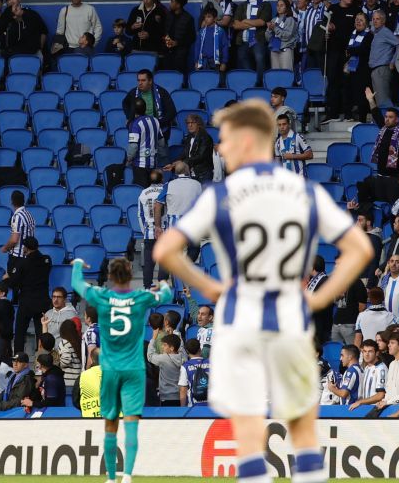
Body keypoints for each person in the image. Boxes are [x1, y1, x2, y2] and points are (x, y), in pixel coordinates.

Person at [154, 101, 374, 483]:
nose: (221, 149)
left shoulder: (221, 196)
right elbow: (360, 248)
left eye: (226, 141)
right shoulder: (301, 192)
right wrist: (319, 297)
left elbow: (165, 250)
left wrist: (213, 287)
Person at [70, 256, 173, 483]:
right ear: (129, 274)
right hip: (134, 369)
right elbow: (168, 296)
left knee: (110, 423)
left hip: (110, 369)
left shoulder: (101, 296)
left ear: (109, 277)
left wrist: (78, 263)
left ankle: (110, 477)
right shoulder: (141, 297)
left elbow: (76, 283)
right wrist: (163, 284)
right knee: (131, 422)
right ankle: (127, 475)